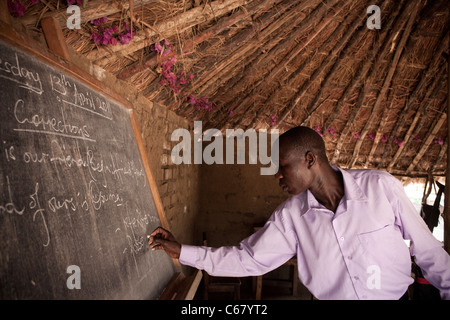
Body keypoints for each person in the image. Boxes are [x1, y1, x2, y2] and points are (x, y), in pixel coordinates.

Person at [149, 126, 450, 299]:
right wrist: (182, 252)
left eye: (283, 168)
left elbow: (428, 252)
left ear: (310, 160)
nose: (278, 177)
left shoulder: (380, 188)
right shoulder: (290, 217)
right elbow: (248, 259)